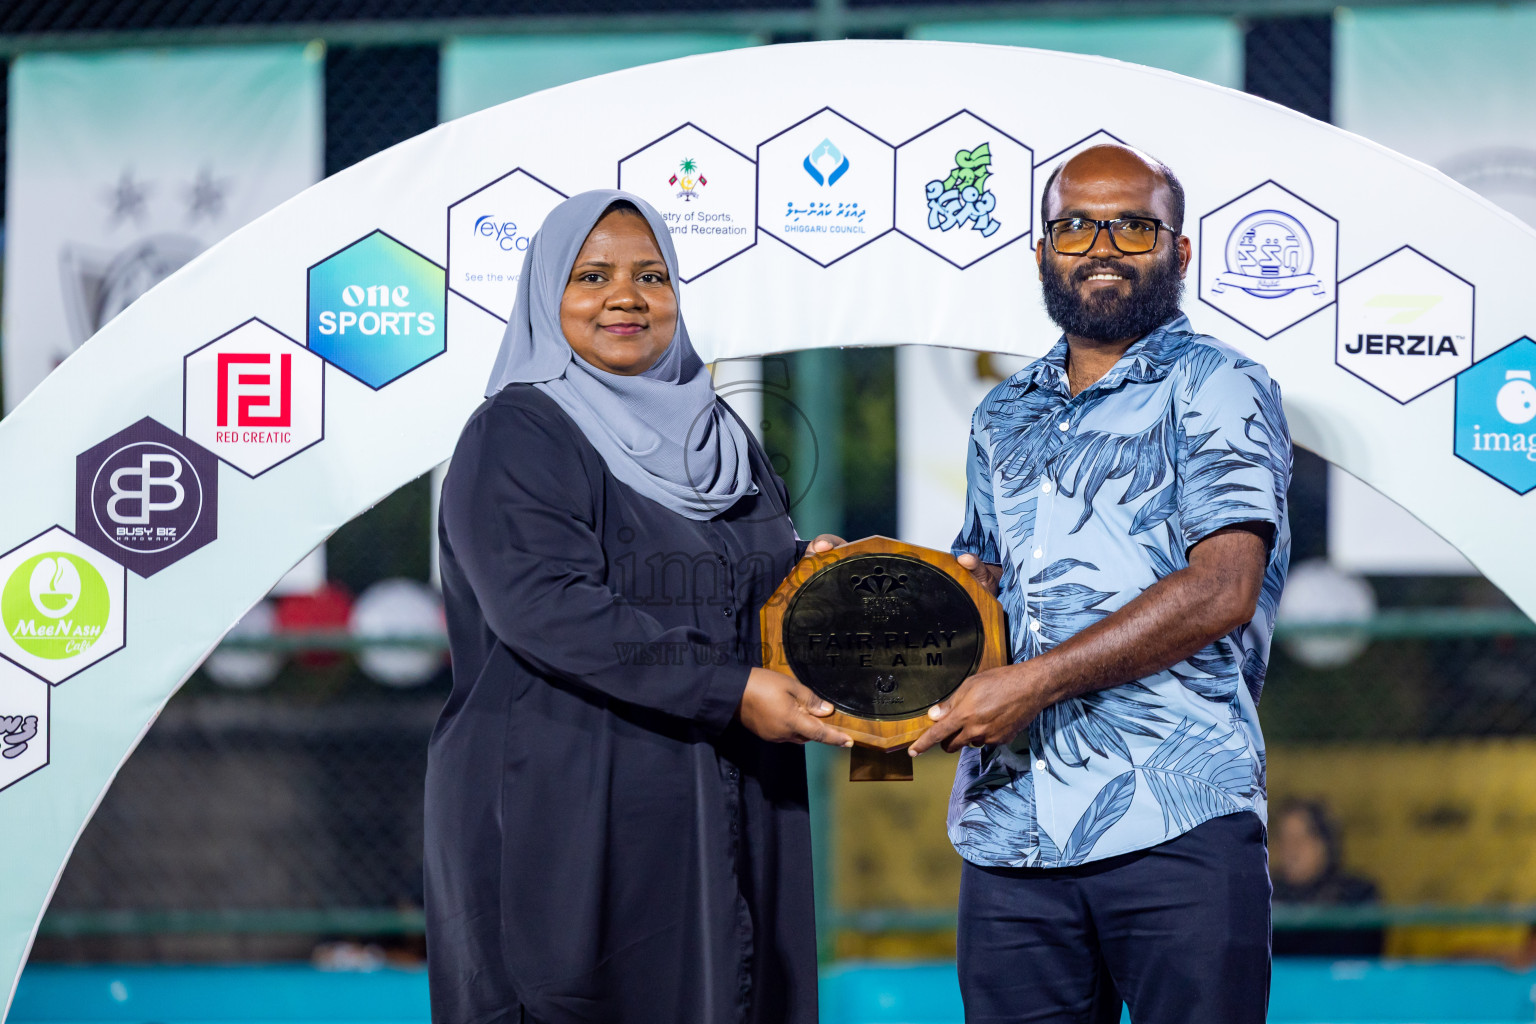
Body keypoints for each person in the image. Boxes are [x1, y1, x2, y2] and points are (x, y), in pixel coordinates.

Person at [426, 190, 852, 1024]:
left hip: (730, 800)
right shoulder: (518, 432)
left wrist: (809, 581)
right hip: (575, 810)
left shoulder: (720, 440)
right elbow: (547, 607)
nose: (626, 297)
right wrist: (729, 689)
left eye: (651, 276)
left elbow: (736, 587)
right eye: (592, 277)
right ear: (545, 297)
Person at [908, 144, 1293, 1023]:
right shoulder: (1004, 412)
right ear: (1043, 250)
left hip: (1176, 817)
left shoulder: (1220, 385)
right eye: (1076, 227)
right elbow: (985, 592)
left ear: (1179, 251)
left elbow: (1223, 588)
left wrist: (1035, 682)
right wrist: (862, 596)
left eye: (1133, 226)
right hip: (1011, 831)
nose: (1103, 247)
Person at [1270, 800, 1383, 957]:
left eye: (1301, 838)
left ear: (1325, 844)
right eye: (1283, 839)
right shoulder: (1265, 895)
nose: (1290, 849)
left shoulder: (1356, 894)